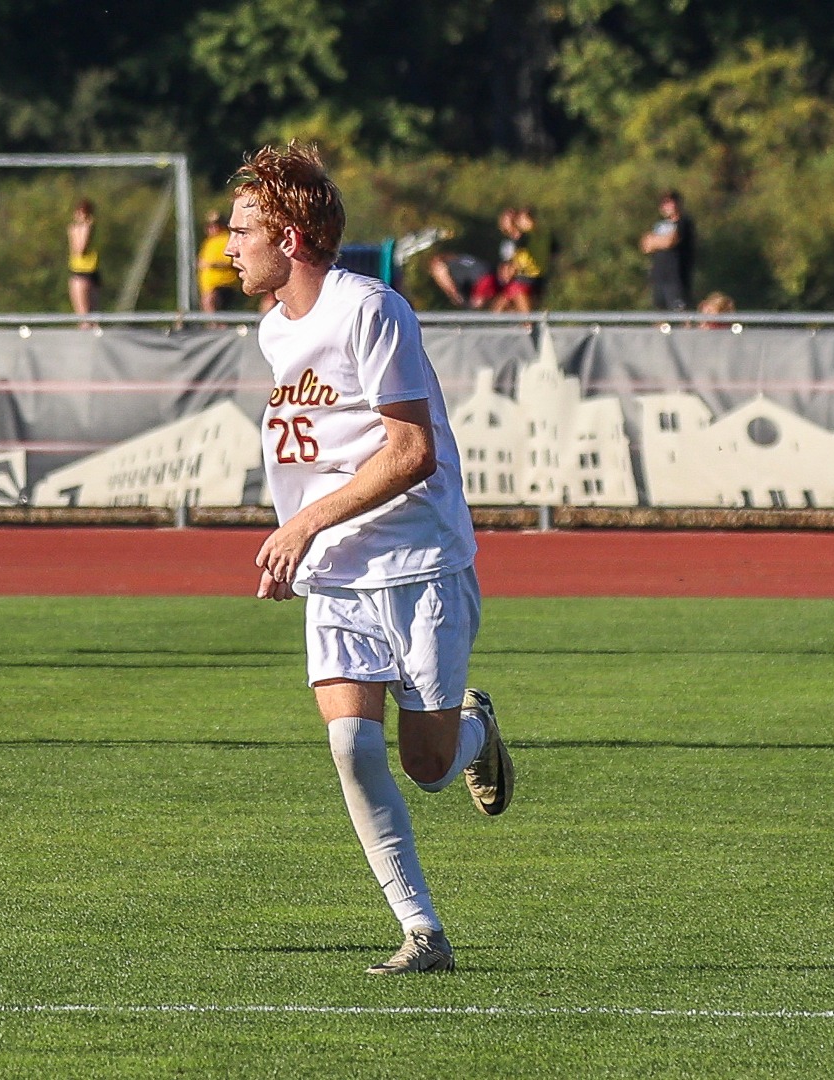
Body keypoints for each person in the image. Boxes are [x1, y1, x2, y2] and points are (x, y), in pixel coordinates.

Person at [224, 141, 514, 976]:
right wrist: (302, 539)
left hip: (419, 563)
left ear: (290, 235)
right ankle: (422, 931)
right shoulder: (274, 327)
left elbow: (412, 449)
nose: (230, 245)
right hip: (338, 573)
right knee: (351, 746)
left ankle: (473, 725)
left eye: (243, 229)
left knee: (425, 767)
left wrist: (302, 522)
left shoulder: (371, 308)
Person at [641, 190, 695, 312]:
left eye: (671, 202)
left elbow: (670, 241)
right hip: (659, 277)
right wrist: (660, 241)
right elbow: (646, 245)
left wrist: (657, 242)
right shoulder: (659, 225)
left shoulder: (684, 223)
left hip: (676, 279)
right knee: (660, 313)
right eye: (664, 203)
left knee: (681, 312)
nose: (668, 206)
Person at [492, 206, 551, 313]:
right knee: (499, 309)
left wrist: (512, 268)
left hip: (527, 279)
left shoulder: (528, 236)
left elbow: (518, 261)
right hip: (523, 279)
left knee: (503, 311)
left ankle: (527, 326)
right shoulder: (511, 242)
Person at [198, 211, 241, 312]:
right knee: (208, 305)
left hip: (224, 284)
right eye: (210, 226)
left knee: (211, 302)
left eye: (215, 225)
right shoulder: (209, 242)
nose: (212, 228)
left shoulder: (226, 239)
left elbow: (230, 261)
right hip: (209, 287)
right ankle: (214, 326)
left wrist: (212, 264)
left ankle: (217, 326)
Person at [67, 200, 99, 322]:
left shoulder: (87, 228)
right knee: (85, 316)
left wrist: (81, 230)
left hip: (84, 273)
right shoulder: (74, 228)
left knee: (87, 318)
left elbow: (80, 249)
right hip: (79, 270)